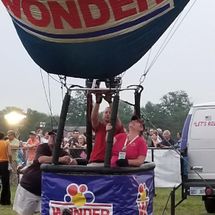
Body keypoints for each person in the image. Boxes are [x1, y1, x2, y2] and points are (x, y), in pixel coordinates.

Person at [13, 130, 80, 215]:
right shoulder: (43, 147)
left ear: (61, 139)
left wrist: (70, 160)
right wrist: (60, 159)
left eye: (55, 137)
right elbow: (41, 159)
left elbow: (73, 162)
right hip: (29, 186)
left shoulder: (62, 152)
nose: (52, 139)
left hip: (47, 191)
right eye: (51, 136)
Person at [89, 93, 124, 165]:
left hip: (111, 163)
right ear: (102, 115)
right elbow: (93, 118)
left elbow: (117, 119)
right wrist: (98, 102)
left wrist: (110, 102)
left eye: (110, 113)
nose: (108, 114)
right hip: (96, 161)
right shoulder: (99, 126)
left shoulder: (117, 127)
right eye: (106, 112)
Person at [0, 131, 12, 205]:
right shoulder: (7, 143)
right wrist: (10, 163)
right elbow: (10, 154)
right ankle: (5, 201)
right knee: (5, 183)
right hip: (4, 163)